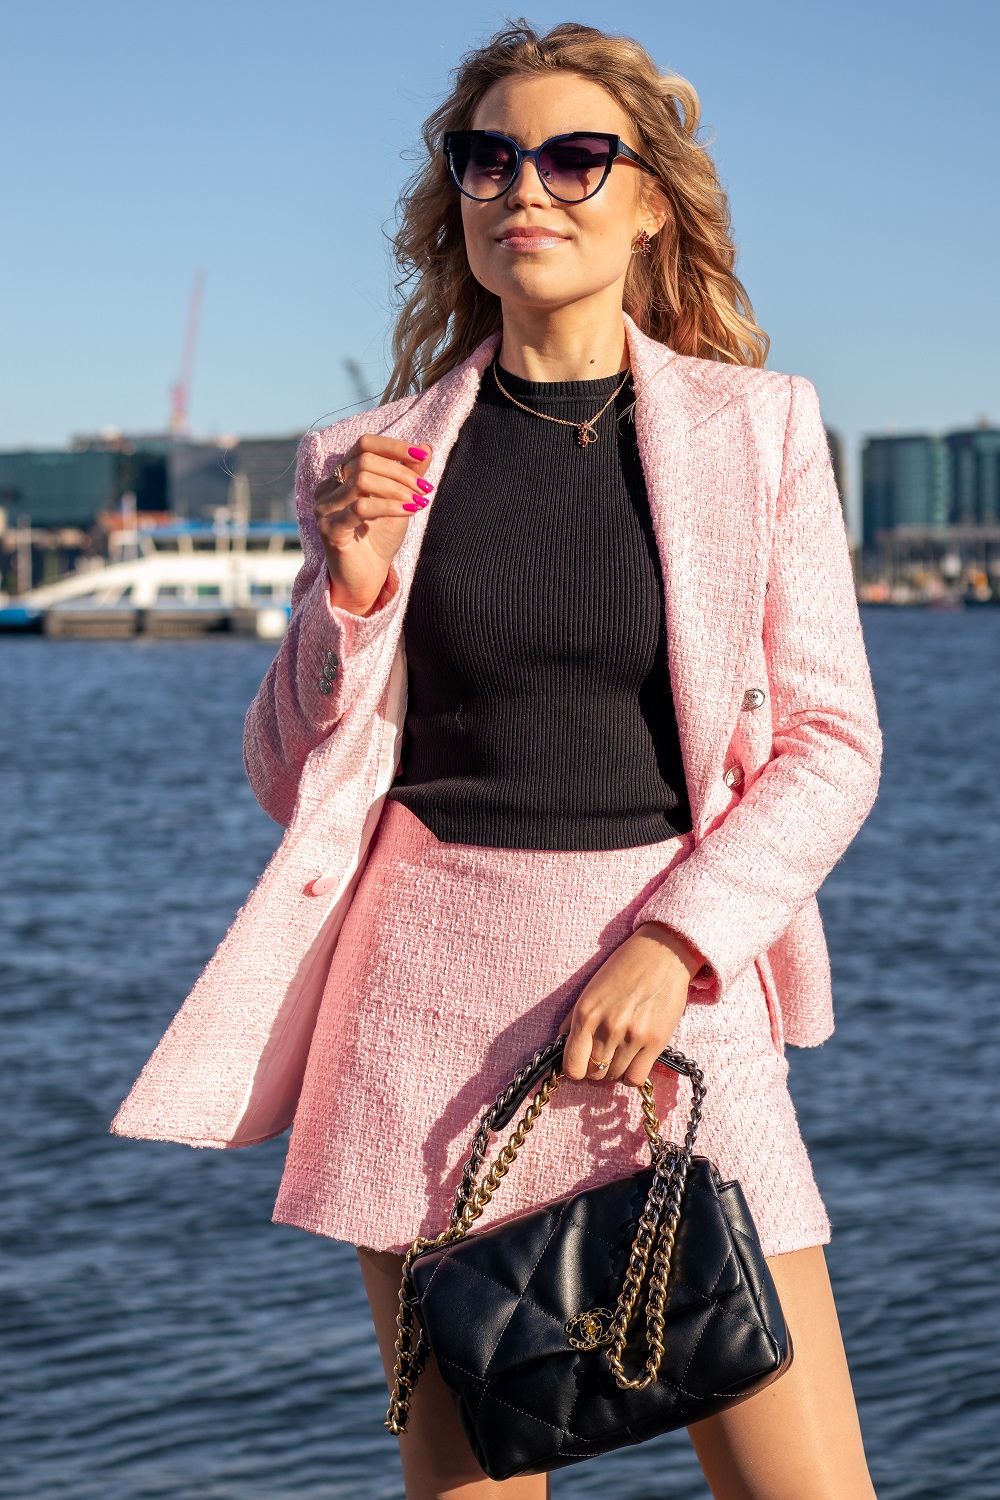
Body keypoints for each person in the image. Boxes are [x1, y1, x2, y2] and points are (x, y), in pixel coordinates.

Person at [113, 21, 882, 1500]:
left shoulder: (761, 430)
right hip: (424, 1020)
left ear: (649, 197)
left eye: (575, 156)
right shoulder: (370, 456)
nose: (525, 187)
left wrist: (679, 942)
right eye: (488, 157)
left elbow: (831, 743)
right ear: (454, 197)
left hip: (678, 1008)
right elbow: (295, 775)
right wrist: (346, 591)